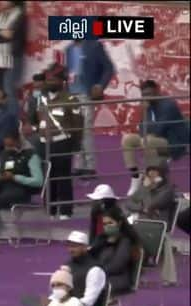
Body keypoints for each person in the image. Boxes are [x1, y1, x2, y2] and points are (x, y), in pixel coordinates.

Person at [122, 80, 190, 196]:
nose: (147, 97)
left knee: (148, 141)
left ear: (157, 91)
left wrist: (148, 132)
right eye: (144, 95)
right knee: (127, 139)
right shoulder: (148, 106)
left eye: (150, 94)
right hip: (155, 139)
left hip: (174, 142)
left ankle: (153, 180)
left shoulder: (168, 105)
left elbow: (159, 129)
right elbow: (141, 129)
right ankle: (135, 176)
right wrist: (144, 112)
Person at [38, 64, 82, 220]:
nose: (50, 82)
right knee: (48, 175)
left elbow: (77, 124)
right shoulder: (39, 98)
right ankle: (50, 208)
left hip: (62, 142)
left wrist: (76, 144)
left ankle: (65, 210)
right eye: (49, 79)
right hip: (44, 142)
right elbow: (33, 118)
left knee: (63, 176)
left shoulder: (70, 100)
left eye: (54, 79)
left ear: (62, 81)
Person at [65, 39, 115, 177]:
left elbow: (109, 68)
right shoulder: (68, 49)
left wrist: (100, 85)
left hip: (86, 94)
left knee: (85, 130)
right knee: (74, 131)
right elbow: (69, 71)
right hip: (70, 95)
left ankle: (90, 166)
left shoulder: (94, 45)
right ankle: (79, 165)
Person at [125, 161, 177, 286]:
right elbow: (129, 203)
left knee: (162, 242)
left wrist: (146, 190)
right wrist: (141, 208)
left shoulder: (168, 190)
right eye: (149, 173)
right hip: (142, 224)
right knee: (127, 239)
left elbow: (152, 204)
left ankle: (168, 278)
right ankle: (135, 274)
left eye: (155, 173)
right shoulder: (145, 188)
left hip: (158, 226)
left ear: (162, 175)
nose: (151, 176)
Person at [0, 131, 43, 227]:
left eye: (11, 145)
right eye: (6, 146)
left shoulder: (31, 156)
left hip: (21, 190)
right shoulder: (5, 154)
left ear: (18, 142)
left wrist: (15, 177)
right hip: (3, 187)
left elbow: (38, 181)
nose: (8, 148)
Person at [89, 207, 140, 295]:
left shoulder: (126, 241)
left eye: (110, 223)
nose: (107, 226)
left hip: (118, 277)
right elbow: (90, 256)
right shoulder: (101, 238)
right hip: (99, 275)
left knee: (91, 286)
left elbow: (117, 265)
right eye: (105, 224)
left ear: (119, 223)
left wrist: (97, 273)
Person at [0, 1, 26, 113]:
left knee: (9, 89)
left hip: (12, 57)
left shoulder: (19, 15)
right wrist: (0, 33)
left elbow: (10, 34)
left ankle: (14, 121)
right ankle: (0, 118)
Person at [64, 231, 107, 306]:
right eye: (69, 246)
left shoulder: (95, 270)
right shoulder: (67, 265)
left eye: (75, 246)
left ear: (85, 247)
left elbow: (88, 302)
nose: (71, 249)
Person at [24, 72, 45, 153]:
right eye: (36, 88)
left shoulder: (46, 98)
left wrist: (33, 128)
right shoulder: (31, 97)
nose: (37, 90)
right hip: (31, 127)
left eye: (39, 88)